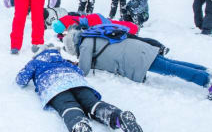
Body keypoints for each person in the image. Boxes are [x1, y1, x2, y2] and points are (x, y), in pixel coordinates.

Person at [16, 44, 144, 132]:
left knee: (69, 107)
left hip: (54, 86)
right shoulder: (62, 60)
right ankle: (118, 117)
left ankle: (80, 126)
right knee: (92, 104)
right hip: (77, 82)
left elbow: (21, 80)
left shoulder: (35, 62)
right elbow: (79, 71)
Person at [63, 27, 211, 98]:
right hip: (139, 48)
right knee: (169, 65)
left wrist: (69, 66)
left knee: (169, 69)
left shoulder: (85, 45)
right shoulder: (90, 34)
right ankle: (203, 71)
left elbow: (83, 70)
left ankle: (206, 80)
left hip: (137, 57)